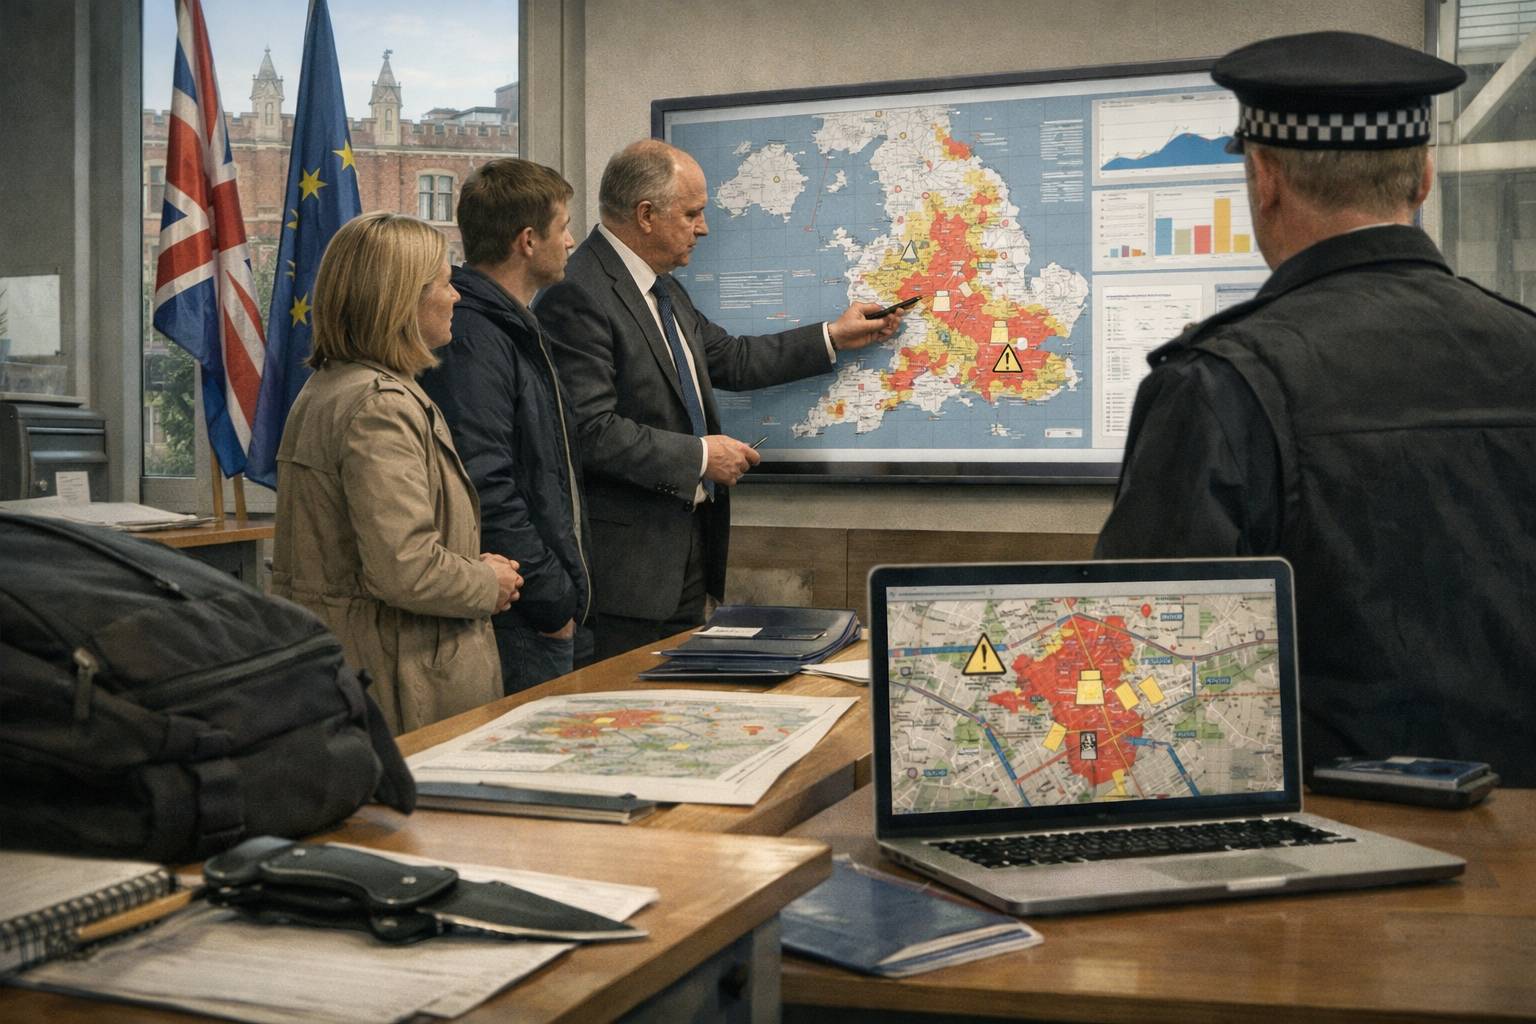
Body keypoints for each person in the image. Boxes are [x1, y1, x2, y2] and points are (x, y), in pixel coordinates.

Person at [1094, 32, 1536, 785]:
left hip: (1322, 833)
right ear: (1424, 176)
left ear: (1264, 177)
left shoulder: (1218, 382)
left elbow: (1143, 660)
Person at [536, 139, 906, 660]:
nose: (703, 228)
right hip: (627, 578)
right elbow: (589, 430)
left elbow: (730, 358)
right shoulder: (579, 292)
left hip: (685, 557)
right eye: (691, 214)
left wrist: (833, 336)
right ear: (646, 215)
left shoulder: (662, 289)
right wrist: (701, 457)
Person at [271, 211, 523, 735]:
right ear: (402, 299)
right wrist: (486, 581)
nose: (456, 296)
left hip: (365, 671)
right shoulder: (379, 406)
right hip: (400, 684)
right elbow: (404, 569)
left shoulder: (334, 388)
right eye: (445, 283)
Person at [419, 158, 593, 693]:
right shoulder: (474, 337)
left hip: (532, 608)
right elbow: (484, 486)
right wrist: (550, 600)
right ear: (528, 241)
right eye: (563, 227)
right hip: (518, 616)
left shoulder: (511, 326)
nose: (571, 241)